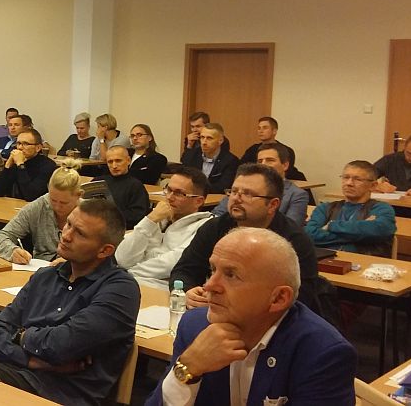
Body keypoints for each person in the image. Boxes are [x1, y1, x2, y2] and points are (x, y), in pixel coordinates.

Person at [147, 228, 357, 405]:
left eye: (231, 275)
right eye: (212, 270)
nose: (209, 285)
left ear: (278, 298)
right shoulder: (194, 325)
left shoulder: (323, 352)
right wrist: (188, 367)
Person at [0, 199, 140, 405]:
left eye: (79, 233)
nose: (66, 235)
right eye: (68, 224)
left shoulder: (121, 289)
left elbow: (60, 346)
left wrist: (21, 335)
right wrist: (34, 361)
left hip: (63, 396)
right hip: (13, 378)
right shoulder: (44, 277)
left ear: (104, 251)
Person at [170, 164, 322, 316]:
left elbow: (301, 299)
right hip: (212, 312)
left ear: (272, 204)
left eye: (248, 194)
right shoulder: (215, 227)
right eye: (234, 191)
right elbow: (184, 270)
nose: (236, 198)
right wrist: (188, 291)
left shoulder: (294, 241)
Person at [114, 167, 212, 289]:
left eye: (178, 193)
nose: (169, 197)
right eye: (168, 190)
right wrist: (150, 220)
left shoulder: (205, 227)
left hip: (162, 288)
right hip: (130, 281)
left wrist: (126, 273)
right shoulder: (158, 217)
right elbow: (123, 259)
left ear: (198, 201)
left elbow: (171, 264)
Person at [0, 166, 83, 263]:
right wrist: (12, 251)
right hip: (41, 267)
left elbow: (94, 253)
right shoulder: (39, 206)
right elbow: (0, 238)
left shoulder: (88, 213)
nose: (57, 207)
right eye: (53, 200)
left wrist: (72, 261)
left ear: (79, 195)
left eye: (64, 203)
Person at [305, 160, 397, 256]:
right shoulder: (325, 208)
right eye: (346, 177)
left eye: (357, 179)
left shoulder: (381, 209)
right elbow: (310, 235)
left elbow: (382, 229)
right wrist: (361, 233)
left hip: (364, 261)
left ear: (373, 185)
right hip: (327, 260)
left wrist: (332, 226)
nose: (349, 183)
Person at [211, 143, 308, 225]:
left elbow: (291, 226)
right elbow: (217, 214)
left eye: (270, 160)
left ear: (285, 165)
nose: (263, 164)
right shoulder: (241, 186)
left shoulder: (296, 195)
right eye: (260, 161)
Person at [94, 146, 151, 229]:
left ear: (128, 161)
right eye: (110, 162)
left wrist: (110, 215)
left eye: (118, 161)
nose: (114, 166)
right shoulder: (98, 181)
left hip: (121, 228)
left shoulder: (135, 185)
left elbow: (137, 215)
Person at [0, 128, 58, 202]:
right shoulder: (15, 163)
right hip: (13, 205)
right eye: (18, 143)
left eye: (25, 144)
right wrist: (7, 165)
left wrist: (21, 165)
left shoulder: (48, 166)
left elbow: (31, 196)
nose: (20, 147)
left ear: (38, 148)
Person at [180, 122, 239, 194]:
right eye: (202, 137)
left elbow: (223, 187)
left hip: (214, 198)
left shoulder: (231, 161)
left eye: (209, 138)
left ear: (220, 140)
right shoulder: (192, 155)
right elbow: (183, 180)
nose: (204, 142)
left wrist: (198, 189)